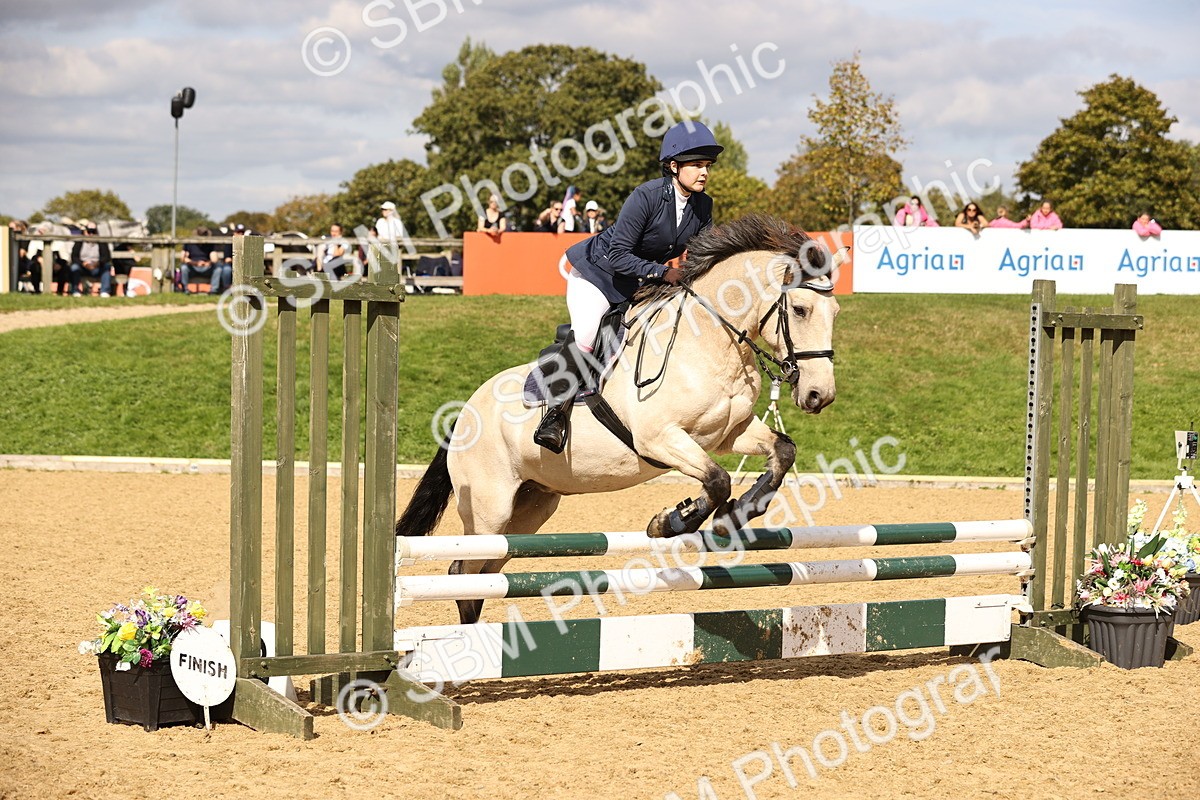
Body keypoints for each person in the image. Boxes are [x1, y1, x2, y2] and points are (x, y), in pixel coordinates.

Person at [533, 120, 723, 453]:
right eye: (696, 165)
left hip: (639, 282)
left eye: (707, 165)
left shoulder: (702, 206)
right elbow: (619, 254)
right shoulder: (646, 196)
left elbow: (702, 254)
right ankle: (554, 415)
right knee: (590, 335)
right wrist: (662, 273)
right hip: (597, 274)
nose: (704, 172)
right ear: (674, 166)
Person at [69, 221, 113, 296]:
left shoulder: (102, 242)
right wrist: (83, 263)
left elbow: (107, 257)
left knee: (107, 266)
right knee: (74, 267)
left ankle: (104, 291)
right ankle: (75, 290)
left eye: (94, 231)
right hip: (83, 267)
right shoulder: (79, 242)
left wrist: (98, 263)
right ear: (85, 231)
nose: (91, 234)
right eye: (89, 231)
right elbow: (74, 257)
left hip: (98, 267)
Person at [181, 226, 215, 293]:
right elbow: (183, 258)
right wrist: (195, 263)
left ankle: (214, 291)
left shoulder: (210, 243)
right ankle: (185, 289)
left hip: (206, 267)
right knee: (184, 268)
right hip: (192, 267)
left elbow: (214, 259)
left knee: (218, 268)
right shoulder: (189, 243)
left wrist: (208, 263)